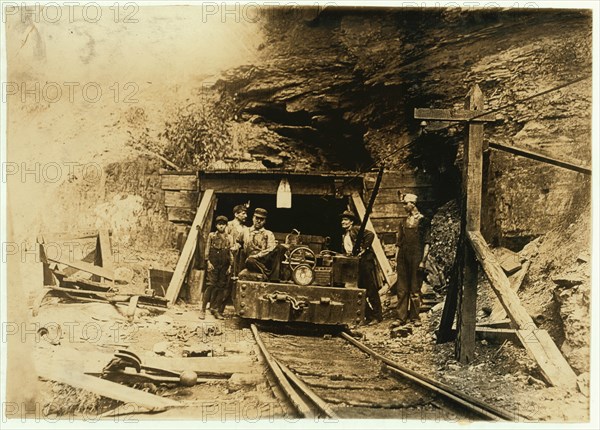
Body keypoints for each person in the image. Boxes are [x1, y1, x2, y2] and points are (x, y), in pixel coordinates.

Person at [340, 210, 383, 324]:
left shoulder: (356, 229)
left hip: (364, 262)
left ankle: (377, 316)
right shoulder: (345, 234)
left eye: (345, 220)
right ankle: (368, 316)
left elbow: (370, 234)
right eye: (342, 220)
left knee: (370, 289)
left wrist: (363, 249)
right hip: (355, 264)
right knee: (360, 290)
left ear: (351, 222)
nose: (342, 222)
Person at [394, 193, 431, 325]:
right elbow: (398, 243)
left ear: (413, 204)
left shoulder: (424, 221)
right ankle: (400, 317)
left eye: (405, 203)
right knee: (402, 289)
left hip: (416, 258)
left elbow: (427, 242)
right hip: (403, 259)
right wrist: (396, 259)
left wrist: (423, 261)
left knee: (415, 289)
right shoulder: (403, 222)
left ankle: (415, 317)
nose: (404, 206)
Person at [200, 215, 234, 320]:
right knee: (210, 286)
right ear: (216, 225)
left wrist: (230, 266)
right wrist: (208, 262)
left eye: (223, 225)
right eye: (219, 224)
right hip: (213, 264)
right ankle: (203, 310)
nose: (221, 227)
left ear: (226, 226)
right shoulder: (212, 236)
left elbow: (231, 252)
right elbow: (207, 249)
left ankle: (216, 309)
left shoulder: (229, 237)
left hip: (224, 265)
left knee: (221, 287)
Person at [218, 204, 248, 314]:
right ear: (236, 214)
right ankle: (218, 308)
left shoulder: (246, 229)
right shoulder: (229, 225)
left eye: (246, 213)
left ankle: (237, 309)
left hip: (240, 258)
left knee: (237, 282)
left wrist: (240, 246)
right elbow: (223, 239)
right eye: (243, 213)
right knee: (225, 282)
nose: (246, 215)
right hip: (228, 256)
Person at [241, 208, 286, 281]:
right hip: (251, 262)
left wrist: (257, 256)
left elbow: (270, 249)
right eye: (257, 218)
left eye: (261, 219)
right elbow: (237, 242)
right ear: (253, 218)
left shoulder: (268, 233)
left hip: (263, 260)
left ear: (265, 221)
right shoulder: (245, 231)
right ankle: (268, 273)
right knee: (250, 261)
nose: (258, 221)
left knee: (280, 248)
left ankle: (270, 275)